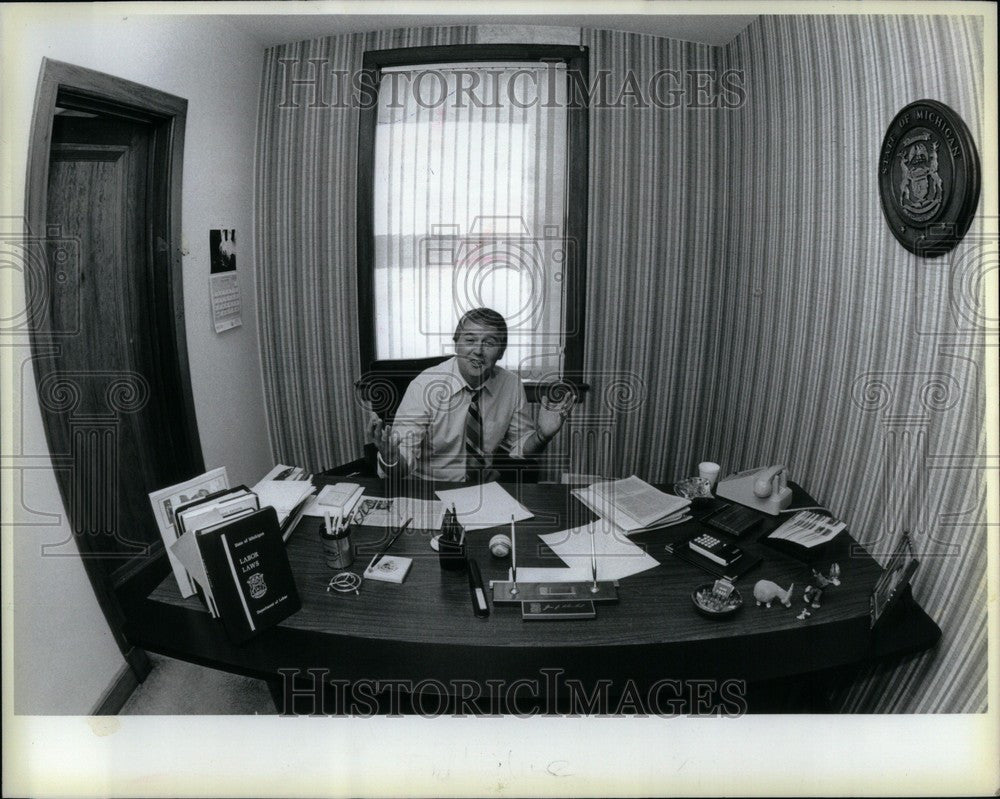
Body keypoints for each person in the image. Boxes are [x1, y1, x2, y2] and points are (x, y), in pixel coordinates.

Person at [369, 307, 573, 482]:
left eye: (490, 342)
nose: (478, 350)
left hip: (483, 491)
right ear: (456, 342)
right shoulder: (425, 386)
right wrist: (391, 458)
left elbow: (521, 448)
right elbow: (401, 465)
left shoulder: (511, 385)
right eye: (470, 339)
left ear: (501, 352)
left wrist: (541, 436)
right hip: (429, 489)